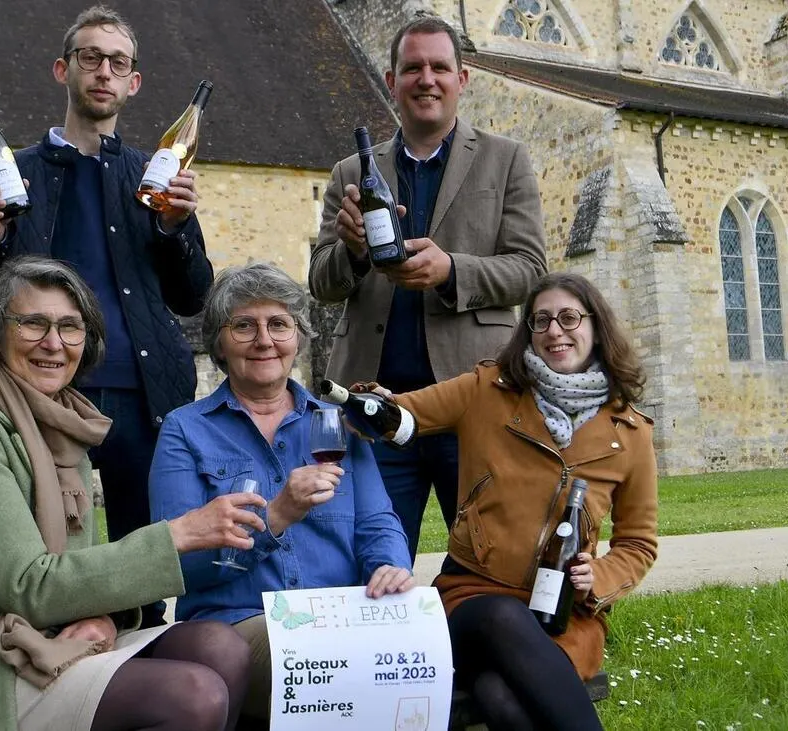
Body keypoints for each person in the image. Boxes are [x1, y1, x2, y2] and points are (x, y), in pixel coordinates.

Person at [0, 257, 265, 731]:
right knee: (193, 696)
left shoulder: (62, 424)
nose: (54, 343)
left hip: (52, 631)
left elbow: (77, 570)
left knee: (222, 647)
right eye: (33, 323)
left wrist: (106, 618)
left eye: (70, 327)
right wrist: (176, 536)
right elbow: (27, 586)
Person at [0, 5, 213, 627]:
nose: (103, 72)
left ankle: (140, 662)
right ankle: (50, 661)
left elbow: (193, 297)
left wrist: (176, 228)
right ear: (63, 69)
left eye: (118, 63)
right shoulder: (13, 173)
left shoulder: (155, 174)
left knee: (140, 560)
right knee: (43, 547)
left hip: (142, 393)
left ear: (133, 82)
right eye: (90, 58)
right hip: (40, 392)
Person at [361, 272, 658, 731]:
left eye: (569, 318)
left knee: (497, 696)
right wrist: (374, 402)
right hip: (474, 597)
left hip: (565, 616)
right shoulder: (486, 390)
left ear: (596, 327)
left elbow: (638, 543)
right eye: (541, 320)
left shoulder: (631, 432)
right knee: (502, 616)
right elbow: (404, 411)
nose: (555, 331)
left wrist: (598, 576)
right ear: (528, 331)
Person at [308, 14, 548, 561]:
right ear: (391, 81)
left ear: (462, 79)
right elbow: (321, 282)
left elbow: (531, 270)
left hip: (474, 400)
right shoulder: (350, 172)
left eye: (440, 67)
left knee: (494, 558)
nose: (426, 79)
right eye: (412, 68)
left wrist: (452, 271)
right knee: (372, 565)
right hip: (374, 406)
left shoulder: (506, 159)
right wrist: (353, 253)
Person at [148, 262, 413, 723]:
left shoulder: (337, 422)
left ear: (299, 337)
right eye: (244, 326)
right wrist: (275, 517)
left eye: (278, 324)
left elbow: (377, 523)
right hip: (238, 623)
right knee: (314, 664)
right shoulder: (185, 430)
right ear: (219, 344)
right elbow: (177, 564)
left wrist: (390, 565)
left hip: (342, 615)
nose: (264, 340)